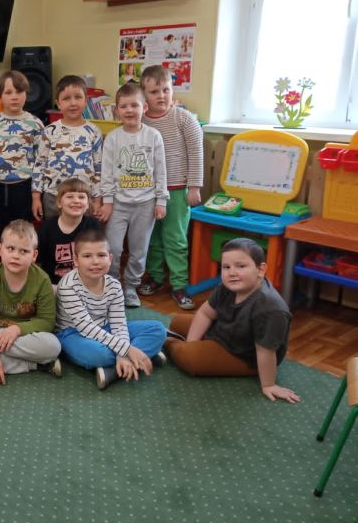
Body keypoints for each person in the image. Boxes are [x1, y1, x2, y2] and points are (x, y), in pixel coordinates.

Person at [164, 238, 300, 404]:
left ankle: (167, 342)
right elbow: (206, 313)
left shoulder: (270, 309)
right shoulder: (228, 285)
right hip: (226, 332)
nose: (232, 272)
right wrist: (192, 343)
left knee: (189, 359)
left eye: (241, 266)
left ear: (261, 269)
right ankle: (181, 342)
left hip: (245, 355)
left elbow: (265, 351)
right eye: (226, 267)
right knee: (178, 322)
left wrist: (268, 385)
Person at [55, 230, 167, 390]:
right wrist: (127, 349)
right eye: (87, 256)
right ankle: (140, 356)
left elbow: (119, 324)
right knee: (98, 354)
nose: (95, 262)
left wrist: (123, 353)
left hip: (105, 328)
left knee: (158, 330)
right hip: (73, 333)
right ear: (76, 260)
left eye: (101, 255)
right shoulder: (68, 286)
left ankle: (119, 366)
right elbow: (86, 328)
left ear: (110, 258)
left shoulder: (114, 285)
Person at [0, 220, 61, 384]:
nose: (16, 255)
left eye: (24, 251)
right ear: (0, 249)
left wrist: (16, 329)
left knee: (53, 346)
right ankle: (38, 364)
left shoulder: (42, 279)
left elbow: (47, 322)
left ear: (34, 255)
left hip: (28, 336)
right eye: (10, 249)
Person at [138, 65, 204, 310]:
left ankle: (179, 285)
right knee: (152, 238)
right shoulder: (141, 119)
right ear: (144, 95)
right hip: (147, 191)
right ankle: (155, 277)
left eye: (166, 90)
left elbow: (196, 153)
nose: (161, 96)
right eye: (154, 92)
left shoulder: (183, 118)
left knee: (175, 239)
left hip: (177, 189)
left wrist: (194, 187)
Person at [98, 83, 168, 308]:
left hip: (146, 204)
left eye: (134, 105)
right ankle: (112, 284)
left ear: (144, 108)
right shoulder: (113, 138)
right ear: (116, 110)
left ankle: (130, 286)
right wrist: (107, 201)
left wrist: (161, 200)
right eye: (124, 106)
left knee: (139, 250)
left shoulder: (153, 136)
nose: (129, 110)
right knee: (113, 247)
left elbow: (160, 170)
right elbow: (106, 172)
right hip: (118, 204)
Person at [32, 75, 103, 222]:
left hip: (83, 197)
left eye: (78, 97)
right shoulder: (49, 131)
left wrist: (97, 199)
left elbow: (99, 167)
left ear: (86, 100)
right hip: (53, 196)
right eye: (66, 98)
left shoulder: (94, 131)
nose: (73, 103)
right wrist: (36, 197)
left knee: (83, 235)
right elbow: (40, 164)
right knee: (53, 233)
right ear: (58, 103)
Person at [0, 70, 44, 239]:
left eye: (19, 92)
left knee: (23, 234)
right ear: (0, 96)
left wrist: (36, 196)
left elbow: (41, 162)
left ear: (26, 94)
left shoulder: (35, 124)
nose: (14, 97)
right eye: (8, 92)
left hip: (24, 188)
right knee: (1, 234)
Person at [37, 177, 100, 285]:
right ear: (59, 203)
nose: (76, 201)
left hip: (84, 283)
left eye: (81, 197)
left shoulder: (93, 226)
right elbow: (37, 262)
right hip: (53, 285)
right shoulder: (46, 228)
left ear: (87, 204)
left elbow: (97, 259)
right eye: (70, 196)